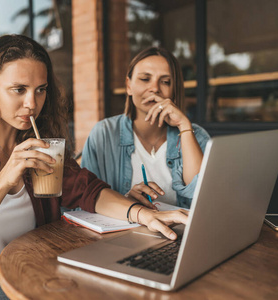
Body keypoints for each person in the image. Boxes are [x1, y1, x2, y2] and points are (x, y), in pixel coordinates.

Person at [0, 35, 188, 300]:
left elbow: (87, 190)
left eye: (40, 90)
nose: (32, 104)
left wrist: (142, 215)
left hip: (31, 269)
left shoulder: (38, 144)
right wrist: (3, 180)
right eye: (18, 90)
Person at [81, 47, 210, 209]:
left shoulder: (196, 135)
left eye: (165, 82)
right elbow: (84, 201)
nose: (154, 88)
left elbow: (204, 199)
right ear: (129, 86)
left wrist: (184, 127)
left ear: (174, 90)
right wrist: (126, 203)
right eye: (145, 79)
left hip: (181, 233)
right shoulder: (104, 133)